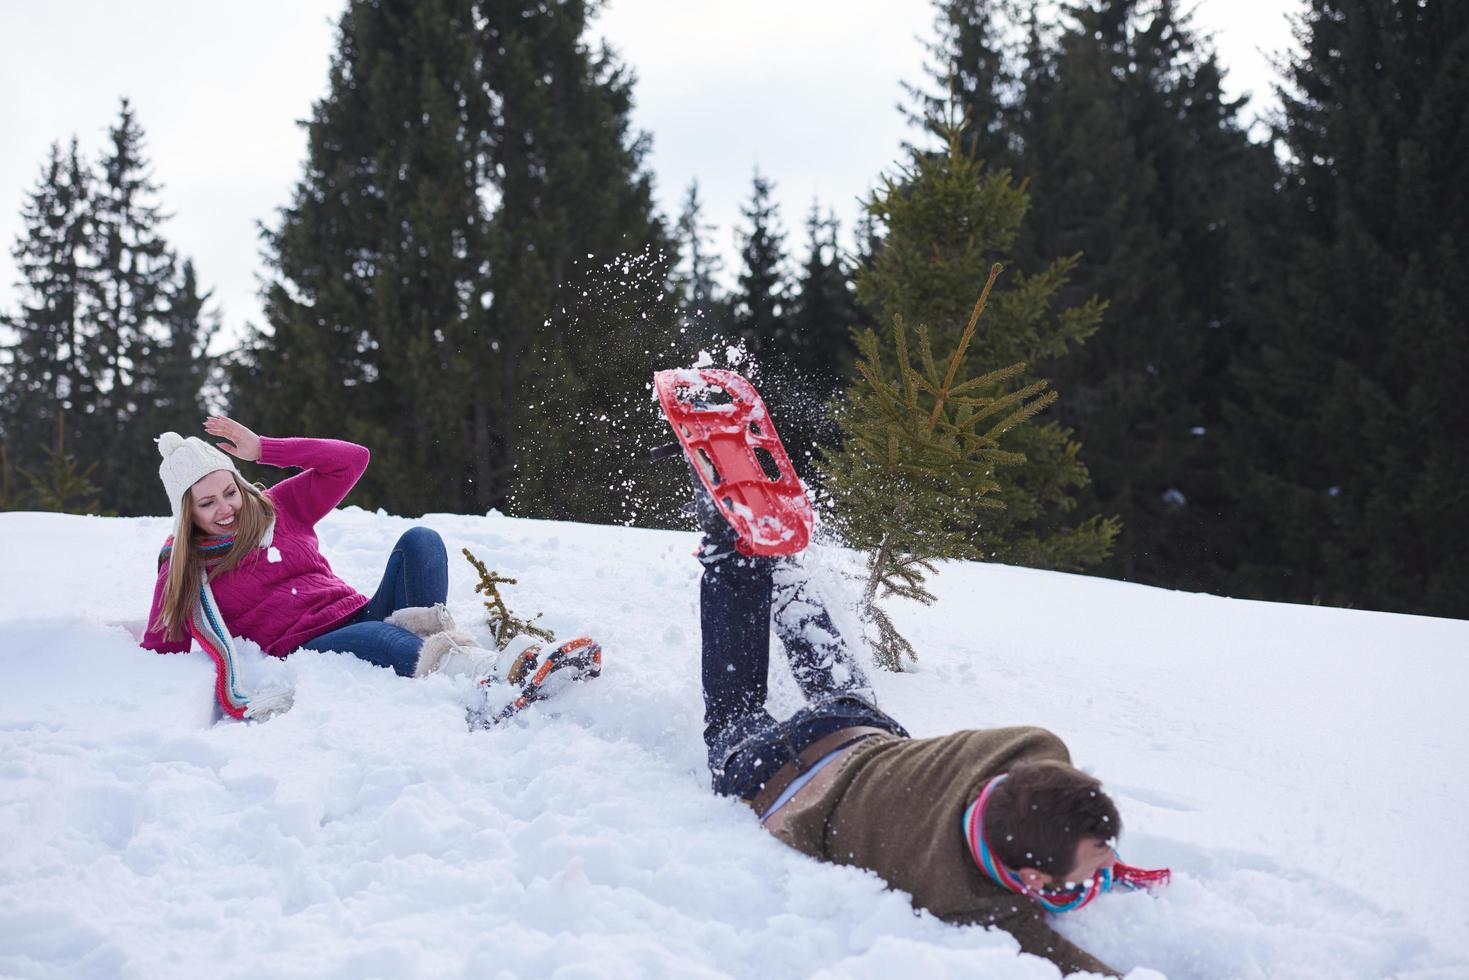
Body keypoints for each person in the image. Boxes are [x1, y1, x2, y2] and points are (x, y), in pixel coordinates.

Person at [689, 479, 1168, 978]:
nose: (1111, 860)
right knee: (735, 715)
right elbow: (1074, 966)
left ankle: (773, 567)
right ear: (1030, 878)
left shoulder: (1027, 745)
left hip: (857, 731)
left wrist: (1074, 840)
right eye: (1100, 855)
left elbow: (1052, 785)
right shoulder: (962, 894)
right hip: (780, 777)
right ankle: (734, 557)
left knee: (843, 689)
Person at [142, 417, 500, 695]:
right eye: (207, 503)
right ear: (186, 514)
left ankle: (444, 655)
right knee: (381, 639)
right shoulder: (186, 570)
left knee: (422, 540)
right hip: (308, 643)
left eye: (229, 492)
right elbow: (163, 650)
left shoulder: (274, 509)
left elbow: (352, 460)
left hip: (360, 612)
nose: (226, 508)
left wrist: (263, 449)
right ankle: (490, 672)